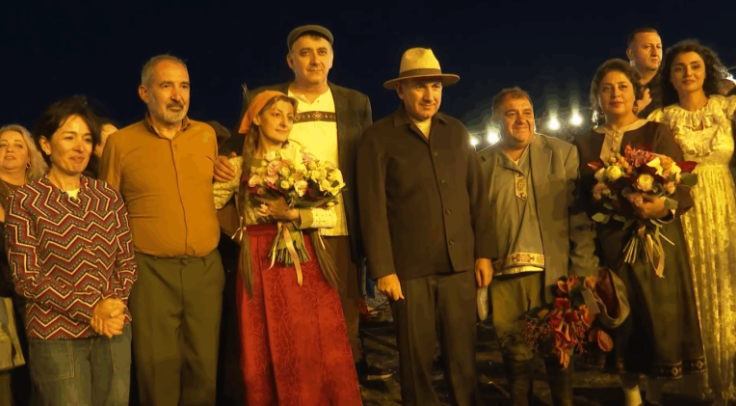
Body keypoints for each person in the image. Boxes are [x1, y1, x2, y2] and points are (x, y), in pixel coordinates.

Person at [214, 24, 388, 381]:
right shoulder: (265, 98)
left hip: (337, 226)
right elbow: (239, 148)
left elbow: (366, 166)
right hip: (280, 235)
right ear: (290, 61)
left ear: (332, 59)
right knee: (291, 321)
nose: (314, 60)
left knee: (341, 316)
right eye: (305, 53)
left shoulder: (355, 102)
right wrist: (221, 162)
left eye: (322, 52)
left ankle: (341, 384)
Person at [357, 47, 493, 406]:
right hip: (408, 273)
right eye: (420, 86)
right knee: (415, 362)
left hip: (458, 267)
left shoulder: (456, 132)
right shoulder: (378, 138)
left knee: (463, 359)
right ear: (401, 90)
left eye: (435, 86)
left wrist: (483, 254)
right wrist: (383, 269)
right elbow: (372, 209)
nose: (429, 95)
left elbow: (477, 197)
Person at [213, 90, 362, 406]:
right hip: (259, 261)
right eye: (276, 114)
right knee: (266, 342)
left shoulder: (304, 161)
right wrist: (238, 231)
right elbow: (208, 205)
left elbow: (330, 214)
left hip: (304, 261)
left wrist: (295, 214)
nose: (285, 122)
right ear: (257, 118)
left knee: (310, 341)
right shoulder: (238, 166)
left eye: (290, 117)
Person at [576, 59, 706, 406]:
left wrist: (660, 207)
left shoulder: (656, 132)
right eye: (607, 88)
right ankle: (631, 397)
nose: (615, 94)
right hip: (610, 248)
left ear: (636, 94)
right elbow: (579, 201)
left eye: (623, 87)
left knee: (657, 323)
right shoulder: (584, 143)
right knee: (622, 322)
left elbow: (682, 192)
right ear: (597, 97)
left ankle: (655, 395)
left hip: (655, 245)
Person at [99, 55, 225, 406]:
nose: (177, 95)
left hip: (206, 269)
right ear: (145, 93)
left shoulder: (206, 135)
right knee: (157, 369)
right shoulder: (121, 143)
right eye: (166, 85)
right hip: (150, 272)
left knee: (204, 369)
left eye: (184, 86)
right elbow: (106, 213)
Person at [5, 96, 137, 406]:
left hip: (113, 330)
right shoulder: (25, 200)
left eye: (87, 139)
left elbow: (127, 263)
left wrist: (113, 306)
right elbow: (27, 278)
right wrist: (91, 309)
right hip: (56, 337)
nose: (80, 147)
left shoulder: (107, 196)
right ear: (46, 145)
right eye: (69, 137)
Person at [478, 87, 605, 406]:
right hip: (505, 278)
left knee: (558, 352)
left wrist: (583, 269)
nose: (521, 120)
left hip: (553, 273)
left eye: (527, 113)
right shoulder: (481, 163)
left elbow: (578, 217)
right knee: (515, 358)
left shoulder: (561, 153)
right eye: (511, 114)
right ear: (495, 121)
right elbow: (475, 221)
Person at [648, 40, 736, 406]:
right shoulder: (661, 118)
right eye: (679, 68)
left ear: (707, 70)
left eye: (695, 66)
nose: (688, 73)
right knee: (694, 291)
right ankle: (698, 382)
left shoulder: (727, 108)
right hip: (683, 211)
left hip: (725, 207)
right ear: (669, 77)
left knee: (727, 287)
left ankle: (727, 378)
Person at [0, 124, 46, 406]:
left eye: (18, 145)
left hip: (41, 299)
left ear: (30, 156)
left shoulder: (43, 194)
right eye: (2, 144)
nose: (9, 150)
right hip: (5, 300)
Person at [626, 27, 663, 118]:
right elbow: (602, 120)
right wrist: (636, 108)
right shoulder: (616, 85)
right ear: (630, 53)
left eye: (658, 47)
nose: (655, 53)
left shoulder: (673, 86)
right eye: (647, 47)